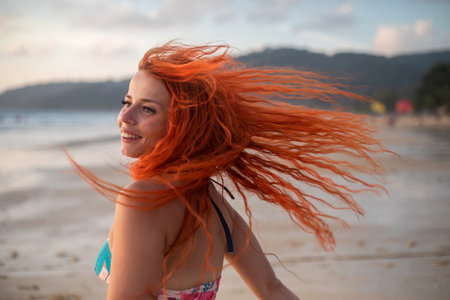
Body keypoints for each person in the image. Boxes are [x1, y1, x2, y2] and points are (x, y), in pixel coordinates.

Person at [67, 41, 388, 299]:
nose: (125, 117)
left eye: (147, 108)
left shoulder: (141, 202)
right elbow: (271, 289)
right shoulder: (215, 203)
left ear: (183, 125)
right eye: (127, 101)